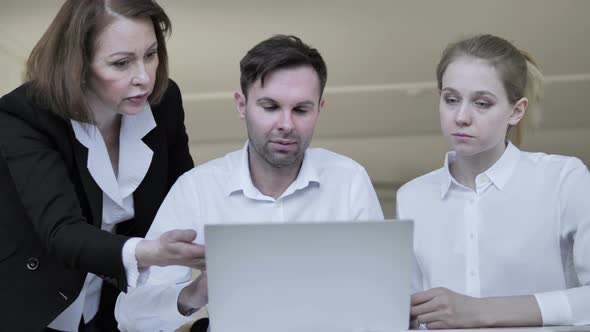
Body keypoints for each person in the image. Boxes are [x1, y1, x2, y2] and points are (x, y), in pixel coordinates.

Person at [115, 34, 384, 332]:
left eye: (301, 110)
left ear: (319, 108)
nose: (286, 124)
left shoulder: (349, 181)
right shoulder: (196, 189)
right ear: (242, 105)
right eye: (270, 107)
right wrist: (197, 293)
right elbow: (130, 317)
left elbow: (382, 304)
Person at [0, 1, 205, 331]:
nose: (144, 77)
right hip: (35, 301)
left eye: (151, 54)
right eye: (122, 63)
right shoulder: (25, 117)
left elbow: (182, 193)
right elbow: (63, 233)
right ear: (77, 64)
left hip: (119, 299)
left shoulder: (164, 101)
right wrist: (150, 251)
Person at [396, 34, 590, 329]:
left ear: (517, 111)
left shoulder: (563, 180)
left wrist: (483, 312)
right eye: (450, 99)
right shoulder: (412, 197)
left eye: (482, 103)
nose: (461, 116)